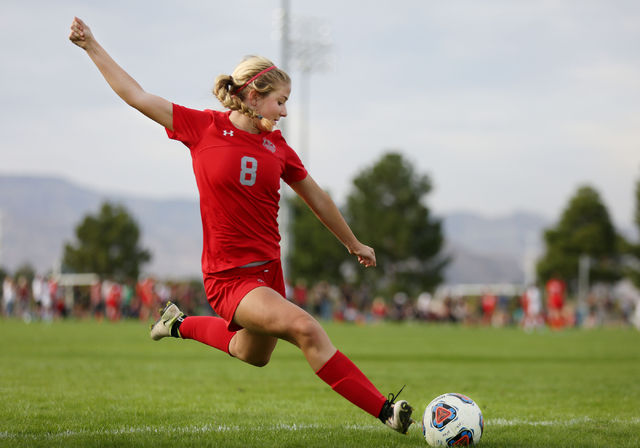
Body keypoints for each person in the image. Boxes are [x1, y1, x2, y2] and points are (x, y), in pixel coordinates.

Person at [69, 17, 414, 434]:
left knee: (252, 354)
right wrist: (91, 46)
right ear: (253, 94)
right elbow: (135, 94)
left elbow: (317, 198)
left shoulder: (278, 146)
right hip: (229, 277)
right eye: (280, 101)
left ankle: (177, 324)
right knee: (306, 327)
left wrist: (353, 242)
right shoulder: (202, 127)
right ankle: (386, 411)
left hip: (269, 273)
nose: (285, 111)